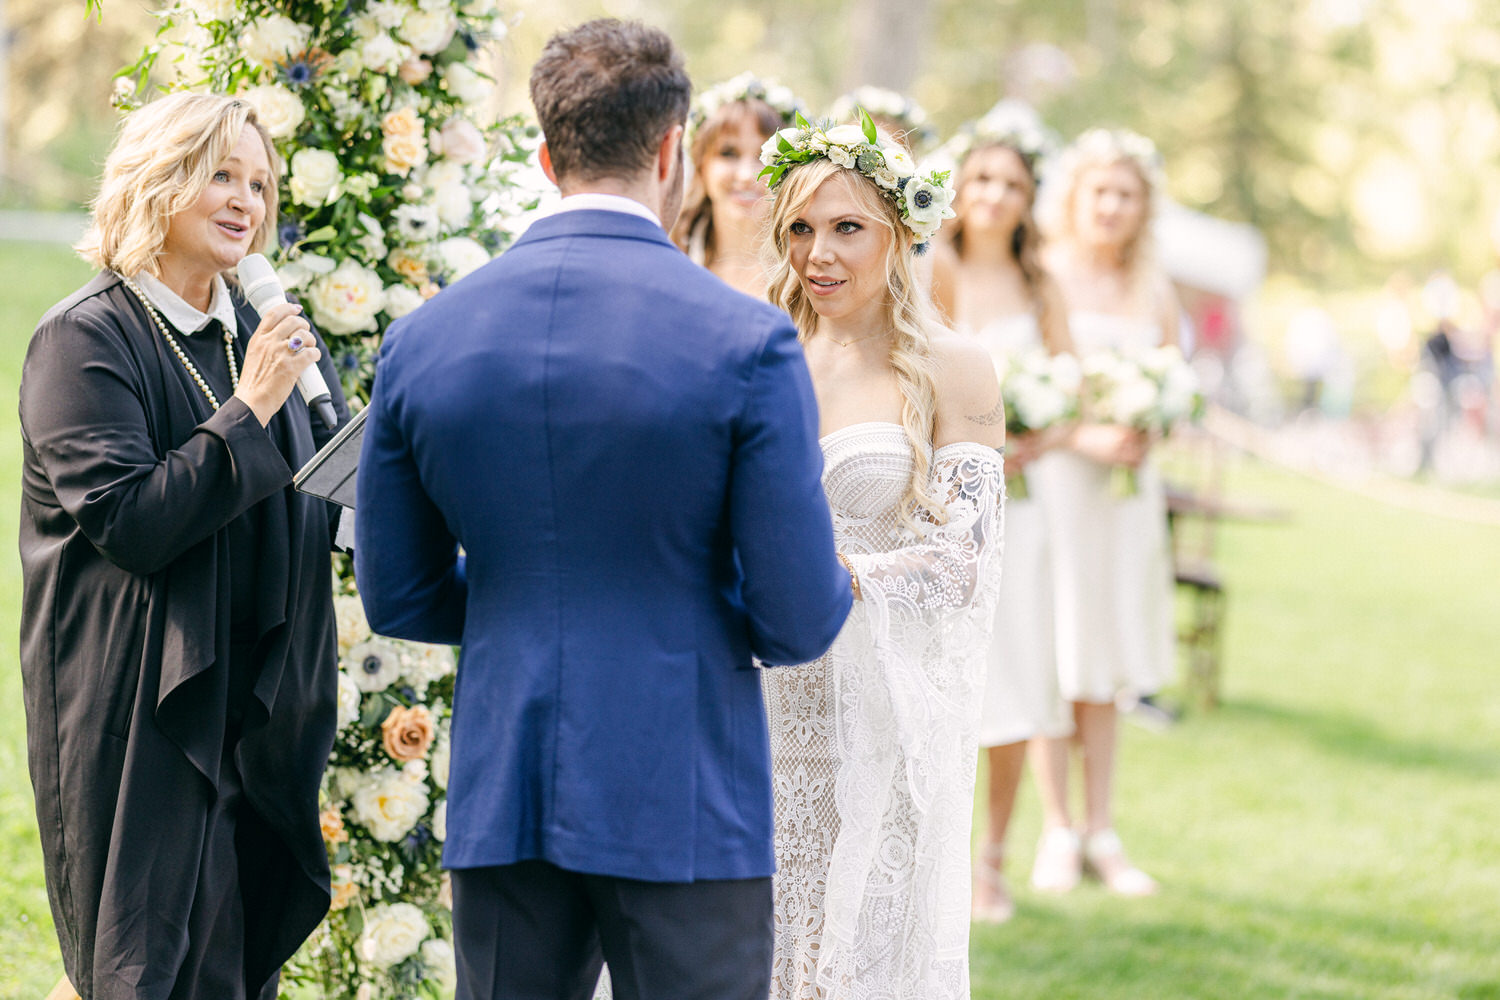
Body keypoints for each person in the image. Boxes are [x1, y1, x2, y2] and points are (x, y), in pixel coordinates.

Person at [353, 20, 852, 1000]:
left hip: (505, 790)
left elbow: (400, 592)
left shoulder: (423, 341)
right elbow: (798, 617)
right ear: (673, 152)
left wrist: (516, 603)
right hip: (688, 789)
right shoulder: (745, 341)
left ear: (546, 154)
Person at [18, 92, 349, 1000]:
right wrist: (253, 407)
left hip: (248, 703)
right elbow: (133, 523)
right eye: (219, 174)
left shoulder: (254, 337)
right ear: (157, 181)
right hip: (141, 713)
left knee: (236, 964)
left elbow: (296, 504)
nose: (246, 199)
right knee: (141, 969)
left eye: (259, 181)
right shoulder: (82, 339)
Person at [758, 116, 1007, 998]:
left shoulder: (953, 366)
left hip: (879, 707)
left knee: (852, 952)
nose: (819, 254)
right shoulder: (760, 354)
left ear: (899, 232)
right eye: (801, 229)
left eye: (846, 228)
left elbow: (966, 558)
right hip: (757, 704)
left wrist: (840, 581)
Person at [1028, 127, 1180, 897]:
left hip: (1126, 496)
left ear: (1142, 206)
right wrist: (1086, 434)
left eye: (1128, 196)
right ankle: (1056, 827)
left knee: (1110, 661)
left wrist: (1151, 425)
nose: (1114, 207)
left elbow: (1177, 385)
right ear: (1076, 199)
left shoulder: (1155, 288)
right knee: (1061, 652)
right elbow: (1027, 393)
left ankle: (1103, 827)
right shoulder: (1044, 275)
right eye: (1102, 193)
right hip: (1061, 484)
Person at [931, 111, 1073, 923]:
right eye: (982, 178)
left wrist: (1026, 441)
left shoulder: (1040, 286)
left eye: (1012, 184)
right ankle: (941, 853)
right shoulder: (933, 267)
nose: (994, 195)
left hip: (1023, 507)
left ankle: (991, 862)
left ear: (1029, 200)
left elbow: (1068, 394)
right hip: (946, 504)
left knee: (1015, 677)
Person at [671, 72, 801, 297]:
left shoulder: (807, 277)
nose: (746, 175)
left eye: (764, 156)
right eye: (728, 153)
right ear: (701, 165)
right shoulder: (672, 264)